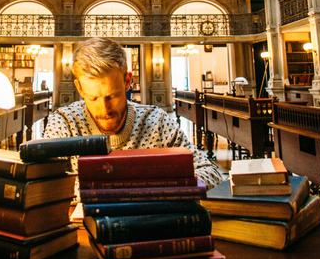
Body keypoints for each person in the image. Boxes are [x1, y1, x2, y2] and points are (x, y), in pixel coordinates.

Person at [42, 37, 223, 190]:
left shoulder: (156, 122)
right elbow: (42, 184)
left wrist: (159, 191)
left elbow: (210, 173)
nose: (105, 110)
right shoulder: (64, 122)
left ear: (128, 81)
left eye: (112, 96)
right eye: (94, 98)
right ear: (80, 88)